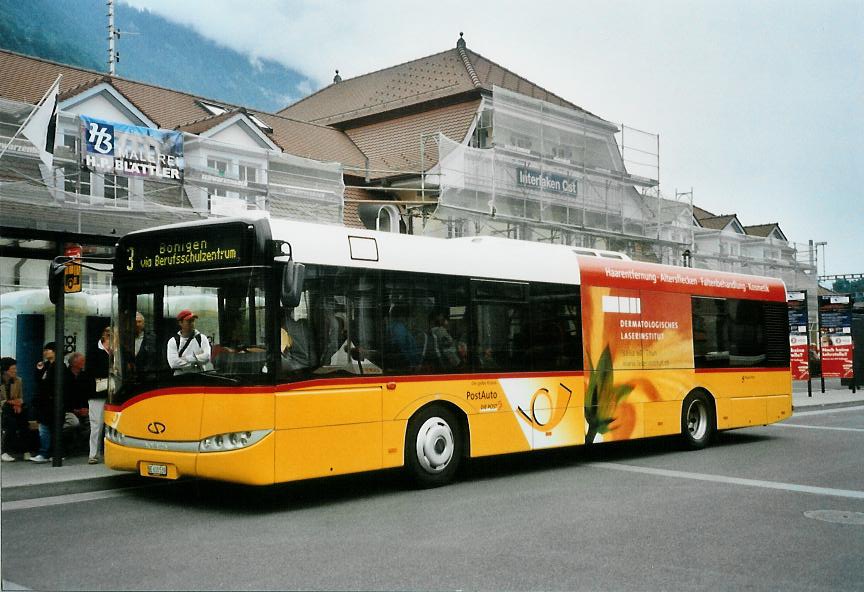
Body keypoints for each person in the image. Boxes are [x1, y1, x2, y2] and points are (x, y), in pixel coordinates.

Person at [87, 326, 111, 464]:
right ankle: (93, 454)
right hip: (97, 393)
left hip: (111, 392)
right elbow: (92, 372)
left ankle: (107, 452)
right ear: (104, 338)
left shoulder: (114, 352)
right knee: (96, 424)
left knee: (110, 425)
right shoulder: (94, 351)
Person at [167, 310, 211, 375]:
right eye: (189, 321)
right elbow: (173, 364)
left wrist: (187, 358)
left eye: (193, 321)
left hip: (200, 377)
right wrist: (196, 362)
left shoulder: (202, 338)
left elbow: (207, 357)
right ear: (180, 323)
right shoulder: (173, 341)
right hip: (180, 378)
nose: (192, 323)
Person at [1, 357, 28, 461]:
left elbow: (21, 397)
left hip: (15, 409)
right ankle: (4, 451)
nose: (15, 371)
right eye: (13, 369)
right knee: (10, 422)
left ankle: (25, 450)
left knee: (24, 420)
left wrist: (18, 404)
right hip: (4, 410)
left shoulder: (18, 381)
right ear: (5, 371)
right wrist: (10, 402)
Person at [386, 304, 421, 371]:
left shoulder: (392, 327)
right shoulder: (399, 328)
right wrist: (415, 363)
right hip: (405, 365)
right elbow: (402, 348)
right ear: (402, 316)